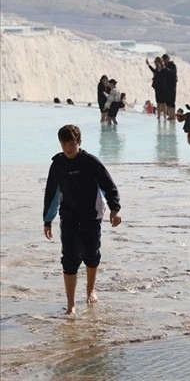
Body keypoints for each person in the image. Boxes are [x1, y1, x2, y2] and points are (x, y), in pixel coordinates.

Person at [43, 125, 122, 314]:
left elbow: (109, 186)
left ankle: (90, 289)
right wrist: (47, 220)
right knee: (69, 258)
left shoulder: (91, 162)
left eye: (71, 143)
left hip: (92, 216)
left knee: (91, 254)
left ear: (79, 142)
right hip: (68, 216)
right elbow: (51, 194)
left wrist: (115, 209)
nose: (67, 148)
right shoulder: (58, 165)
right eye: (64, 143)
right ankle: (70, 304)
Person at [162, 54, 178, 121]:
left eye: (166, 59)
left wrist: (166, 69)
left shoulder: (172, 65)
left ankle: (173, 115)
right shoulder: (164, 66)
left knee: (172, 101)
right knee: (167, 101)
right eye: (164, 60)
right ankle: (170, 115)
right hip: (166, 86)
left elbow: (173, 73)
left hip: (172, 85)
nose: (165, 61)